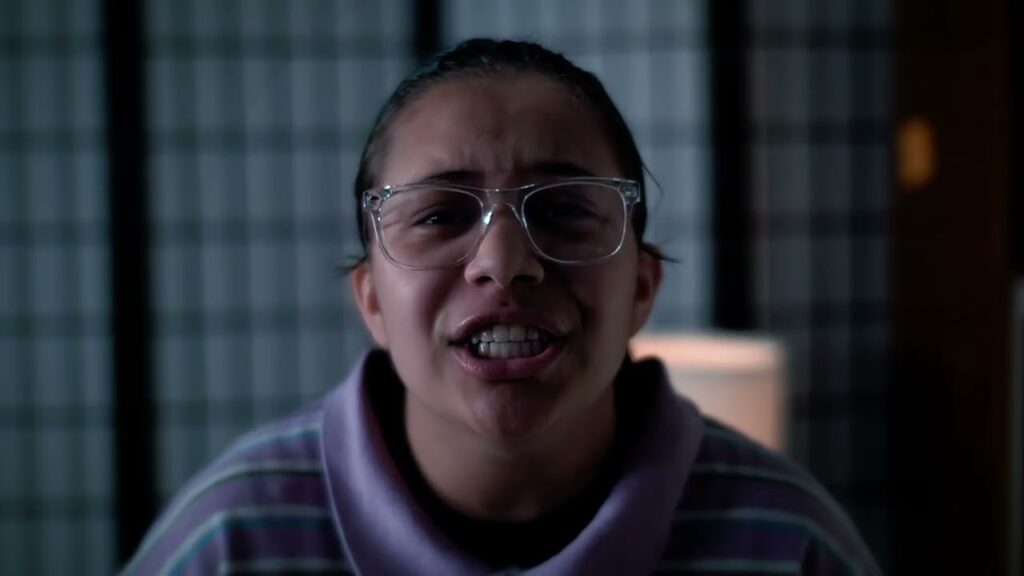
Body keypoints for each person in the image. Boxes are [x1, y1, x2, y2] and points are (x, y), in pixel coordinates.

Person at [123, 38, 881, 575]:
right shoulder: (233, 540)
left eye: (564, 211)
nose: (505, 263)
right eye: (441, 215)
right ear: (372, 299)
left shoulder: (787, 543)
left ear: (641, 288)